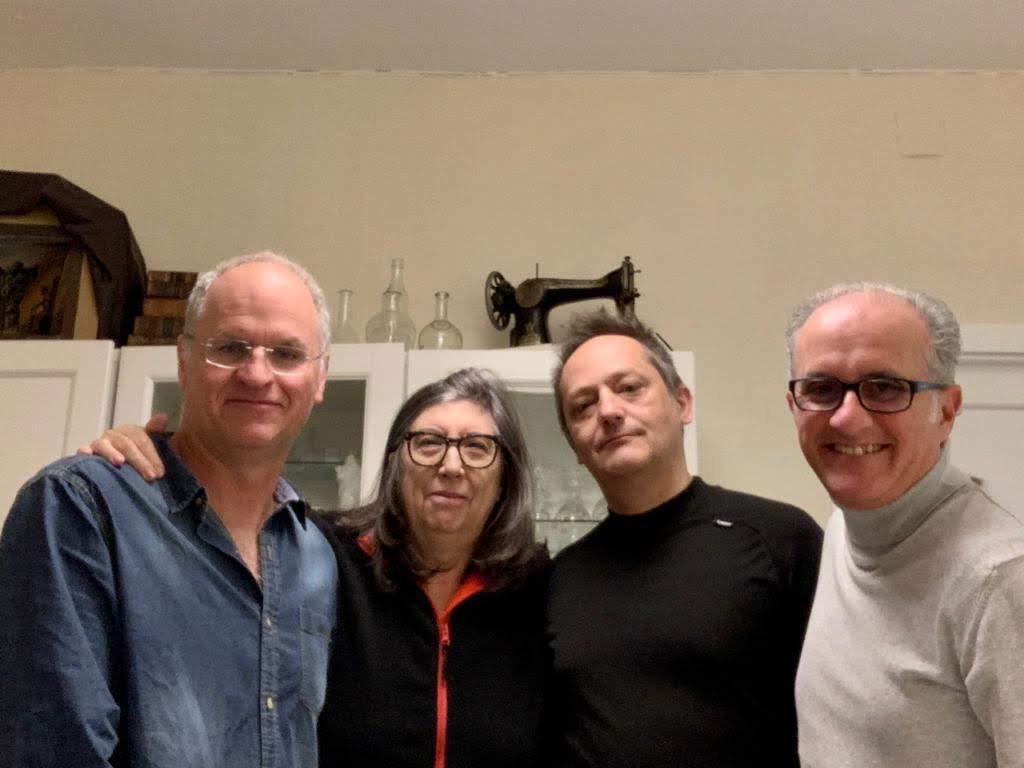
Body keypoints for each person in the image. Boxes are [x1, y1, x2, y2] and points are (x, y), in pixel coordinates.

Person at [78, 367, 551, 768]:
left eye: (477, 447)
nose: (450, 465)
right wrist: (151, 460)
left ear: (505, 473)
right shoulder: (320, 554)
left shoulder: (536, 593)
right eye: (428, 443)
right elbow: (214, 534)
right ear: (396, 463)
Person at [0, 252, 338, 767]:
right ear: (183, 360)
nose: (256, 373)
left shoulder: (316, 556)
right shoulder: (81, 508)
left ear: (320, 377)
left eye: (287, 353)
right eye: (230, 347)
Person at [544, 309, 823, 768]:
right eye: (583, 405)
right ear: (574, 444)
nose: (608, 411)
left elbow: (849, 715)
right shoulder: (559, 580)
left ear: (683, 403)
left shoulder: (780, 540)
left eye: (629, 387)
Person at [786, 283, 1024, 768]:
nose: (846, 418)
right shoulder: (843, 529)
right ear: (794, 404)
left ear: (947, 410)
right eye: (821, 389)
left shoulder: (999, 581)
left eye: (885, 388)